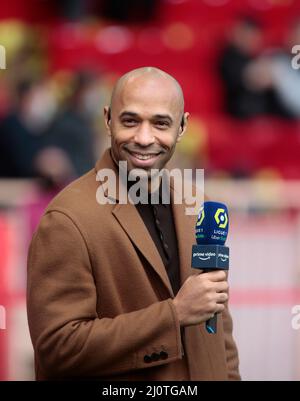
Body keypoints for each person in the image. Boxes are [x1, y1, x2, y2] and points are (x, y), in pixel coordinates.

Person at [27, 67, 240, 381]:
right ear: (107, 119)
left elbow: (219, 333)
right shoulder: (66, 219)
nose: (143, 138)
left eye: (160, 123)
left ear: (182, 127)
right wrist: (175, 314)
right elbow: (58, 348)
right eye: (130, 121)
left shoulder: (200, 206)